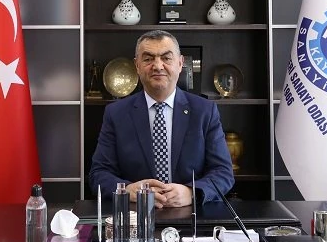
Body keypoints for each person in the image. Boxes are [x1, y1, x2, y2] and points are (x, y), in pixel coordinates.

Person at [89, 30, 234, 207]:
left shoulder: (205, 111)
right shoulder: (116, 113)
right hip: (136, 213)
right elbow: (99, 173)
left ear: (180, 63)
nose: (158, 66)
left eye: (166, 58)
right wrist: (126, 190)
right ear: (137, 66)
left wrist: (192, 192)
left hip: (190, 214)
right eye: (148, 59)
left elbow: (223, 172)